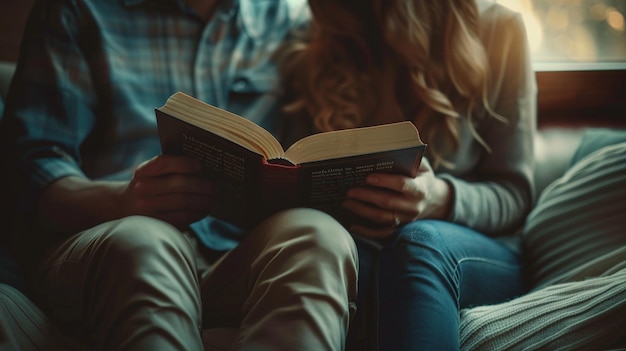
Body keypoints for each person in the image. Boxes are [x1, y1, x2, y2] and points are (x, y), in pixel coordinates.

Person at [0, 0, 358, 350]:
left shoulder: (292, 20)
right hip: (111, 245)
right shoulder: (79, 10)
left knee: (319, 234)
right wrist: (121, 200)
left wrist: (414, 189)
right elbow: (31, 173)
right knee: (147, 241)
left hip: (236, 260)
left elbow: (346, 127)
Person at [277, 0, 536, 349]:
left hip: (467, 251)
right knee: (337, 262)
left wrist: (438, 199)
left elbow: (515, 194)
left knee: (418, 244)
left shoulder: (498, 31)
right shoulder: (320, 38)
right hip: (363, 247)